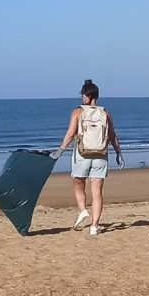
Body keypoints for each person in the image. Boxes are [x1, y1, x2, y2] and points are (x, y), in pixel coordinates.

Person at [53, 79, 122, 235]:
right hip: (101, 154)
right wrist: (118, 152)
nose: (82, 98)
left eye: (83, 95)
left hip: (82, 154)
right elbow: (112, 136)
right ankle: (94, 226)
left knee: (78, 183)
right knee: (97, 191)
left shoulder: (78, 112)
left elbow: (71, 133)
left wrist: (61, 149)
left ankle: (83, 210)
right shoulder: (105, 113)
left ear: (87, 96)